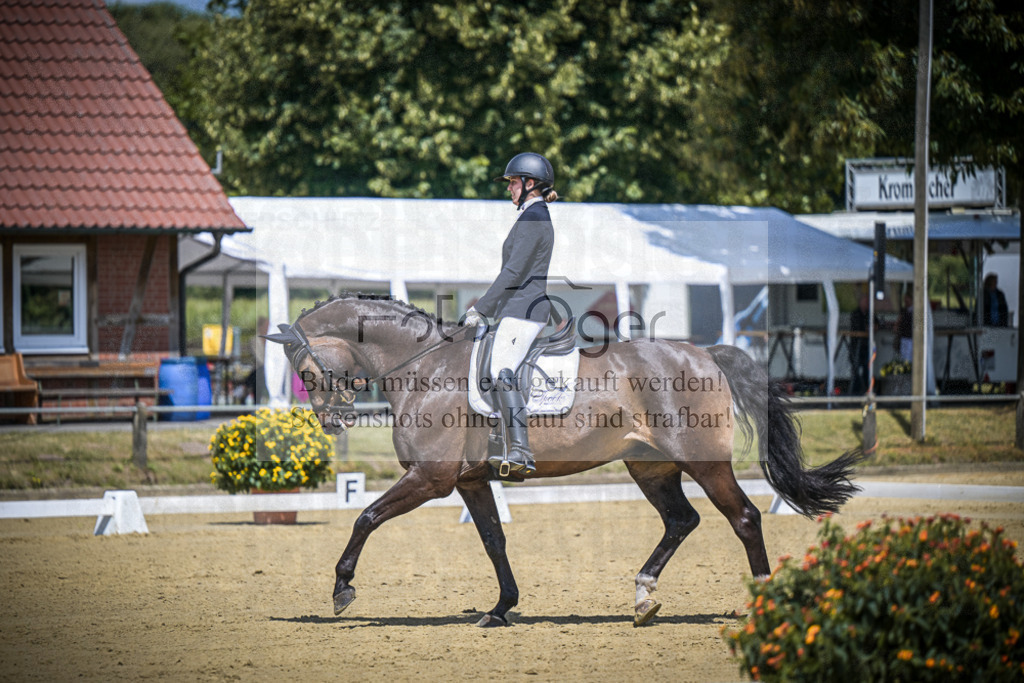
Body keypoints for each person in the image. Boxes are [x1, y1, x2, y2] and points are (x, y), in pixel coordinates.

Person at [464, 152, 558, 476]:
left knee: (502, 368)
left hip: (525, 309)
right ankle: (496, 438)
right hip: (516, 309)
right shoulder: (532, 216)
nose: (509, 189)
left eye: (513, 183)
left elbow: (513, 272)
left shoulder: (533, 218)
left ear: (530, 184)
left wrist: (480, 309)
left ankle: (520, 449)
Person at [848, 294, 870, 395]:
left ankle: (866, 389)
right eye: (866, 302)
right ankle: (855, 391)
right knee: (856, 369)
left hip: (867, 346)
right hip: (856, 346)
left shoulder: (869, 313)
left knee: (867, 368)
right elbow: (859, 328)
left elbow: (876, 323)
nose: (867, 304)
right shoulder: (856, 314)